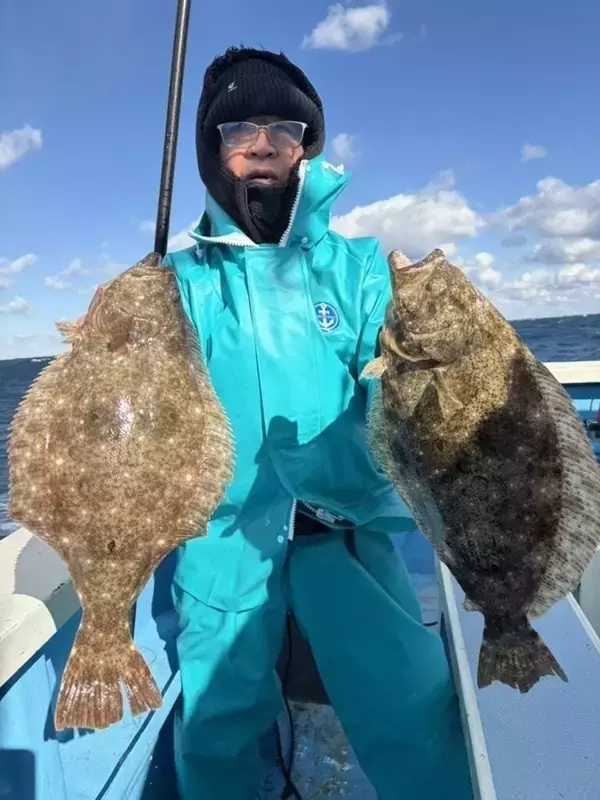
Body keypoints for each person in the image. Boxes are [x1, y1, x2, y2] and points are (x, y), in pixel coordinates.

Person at [163, 45, 472, 800]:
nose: (264, 143)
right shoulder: (173, 285)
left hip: (349, 526)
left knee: (414, 707)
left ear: (308, 145)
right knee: (215, 723)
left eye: (285, 127)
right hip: (223, 539)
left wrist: (431, 360)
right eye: (239, 128)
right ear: (212, 149)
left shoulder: (362, 270)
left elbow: (405, 395)